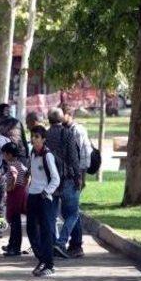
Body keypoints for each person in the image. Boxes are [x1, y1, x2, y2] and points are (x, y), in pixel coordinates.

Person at [45, 108, 81, 260]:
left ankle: (52, 243)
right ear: (62, 119)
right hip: (67, 179)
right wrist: (78, 176)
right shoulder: (67, 133)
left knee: (52, 215)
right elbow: (73, 157)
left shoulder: (45, 135)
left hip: (50, 181)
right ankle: (61, 242)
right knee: (73, 213)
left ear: (49, 119)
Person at [27, 125, 60, 277]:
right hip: (32, 195)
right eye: (32, 136)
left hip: (44, 197)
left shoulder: (47, 155)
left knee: (46, 231)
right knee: (31, 230)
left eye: (37, 137)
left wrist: (46, 192)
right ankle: (41, 259)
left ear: (43, 139)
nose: (34, 139)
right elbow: (31, 173)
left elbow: (55, 178)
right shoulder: (32, 153)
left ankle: (49, 265)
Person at [60, 104, 92, 258]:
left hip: (75, 177)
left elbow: (85, 156)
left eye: (62, 114)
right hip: (66, 176)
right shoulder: (63, 130)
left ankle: (72, 243)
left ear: (68, 114)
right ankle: (76, 244)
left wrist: (82, 177)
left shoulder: (77, 131)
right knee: (70, 212)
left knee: (71, 211)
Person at [0, 142, 28, 257]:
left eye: (4, 154)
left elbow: (14, 175)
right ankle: (12, 244)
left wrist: (10, 187)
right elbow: (26, 176)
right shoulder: (20, 164)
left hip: (15, 194)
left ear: (9, 154)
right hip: (21, 192)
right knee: (16, 222)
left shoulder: (12, 165)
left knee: (14, 222)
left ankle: (14, 247)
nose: (3, 156)